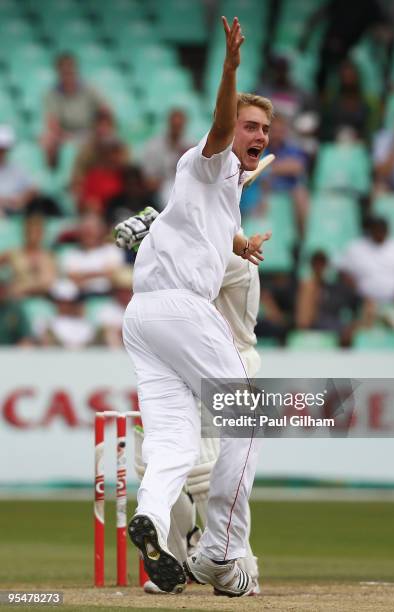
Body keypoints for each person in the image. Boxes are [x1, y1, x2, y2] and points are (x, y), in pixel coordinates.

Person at [122, 16, 272, 597]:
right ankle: (218, 555)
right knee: (248, 417)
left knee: (173, 446)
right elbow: (217, 130)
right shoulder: (206, 160)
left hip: (142, 320)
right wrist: (231, 69)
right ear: (233, 127)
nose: (258, 135)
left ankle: (154, 522)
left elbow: (209, 222)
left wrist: (241, 244)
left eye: (264, 128)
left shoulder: (222, 187)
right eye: (250, 125)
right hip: (183, 309)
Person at [115, 207, 262, 594]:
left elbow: (203, 253)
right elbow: (194, 236)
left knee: (201, 472)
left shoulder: (239, 264)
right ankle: (174, 563)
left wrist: (155, 226)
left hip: (226, 357)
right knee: (157, 458)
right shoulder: (208, 236)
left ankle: (237, 564)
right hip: (185, 349)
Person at [337, 217, 394, 332]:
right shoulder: (355, 247)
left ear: (388, 231)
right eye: (376, 230)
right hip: (363, 299)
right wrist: (360, 294)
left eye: (382, 230)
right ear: (370, 230)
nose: (379, 233)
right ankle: (375, 323)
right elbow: (343, 273)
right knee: (367, 307)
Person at [41, 53, 109, 166]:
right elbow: (52, 123)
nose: (68, 74)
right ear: (58, 72)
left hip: (90, 130)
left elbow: (105, 111)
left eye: (70, 70)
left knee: (108, 137)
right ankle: (53, 176)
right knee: (48, 140)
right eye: (64, 71)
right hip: (64, 133)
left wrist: (100, 128)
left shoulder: (90, 88)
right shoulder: (51, 94)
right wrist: (68, 136)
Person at [59, 212, 124, 297]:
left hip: (108, 297)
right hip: (79, 298)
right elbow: (73, 278)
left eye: (92, 229)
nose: (89, 233)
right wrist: (101, 273)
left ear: (101, 231)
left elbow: (114, 275)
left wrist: (83, 275)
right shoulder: (70, 253)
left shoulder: (112, 249)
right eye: (85, 230)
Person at [139, 108, 192, 210]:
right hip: (162, 188)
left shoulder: (190, 146)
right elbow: (149, 180)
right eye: (174, 125)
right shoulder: (153, 146)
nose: (177, 128)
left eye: (179, 125)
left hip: (185, 187)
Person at [0, 214, 56, 299]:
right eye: (30, 231)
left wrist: (28, 289)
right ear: (25, 232)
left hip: (42, 298)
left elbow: (50, 282)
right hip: (16, 299)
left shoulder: (49, 256)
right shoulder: (13, 253)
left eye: (37, 232)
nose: (33, 236)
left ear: (42, 234)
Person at [0, 125, 35, 216]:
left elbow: (33, 188)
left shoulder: (16, 168)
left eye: (3, 149)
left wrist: (22, 199)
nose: (1, 152)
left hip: (14, 214)